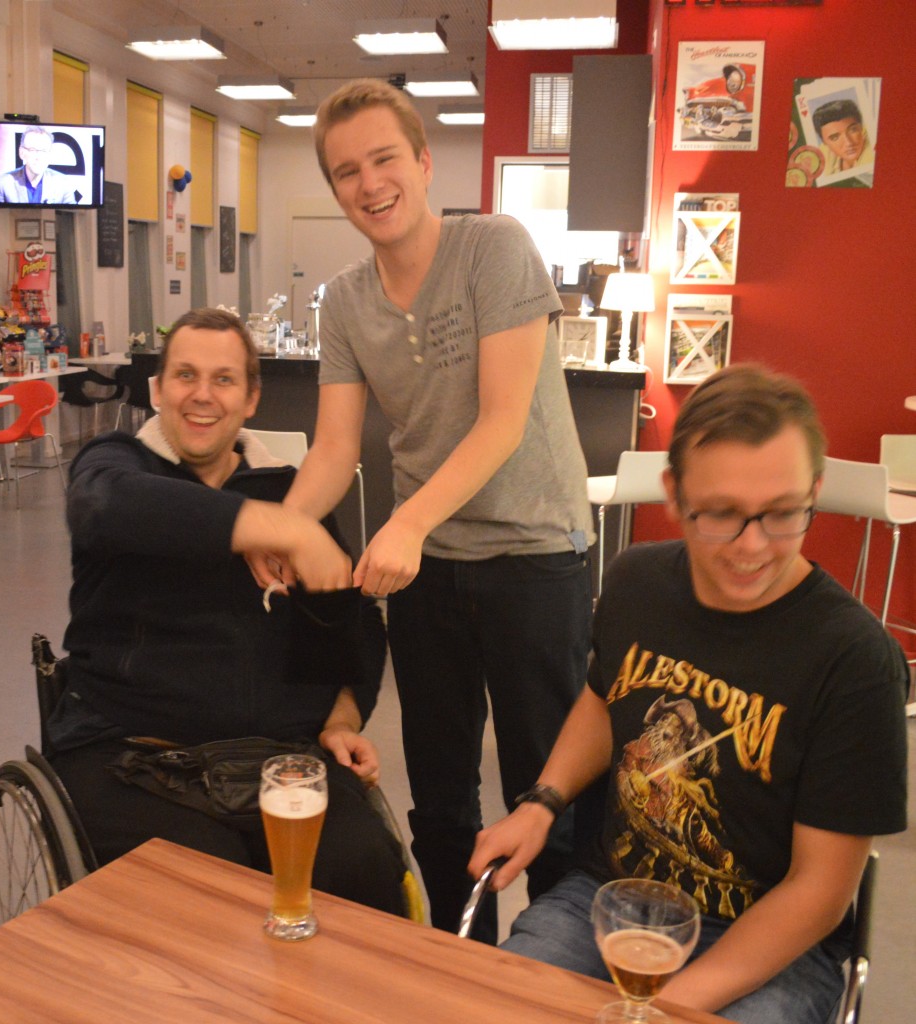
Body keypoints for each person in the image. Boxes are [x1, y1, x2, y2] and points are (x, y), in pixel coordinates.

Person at [469, 364, 908, 1023]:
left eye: (783, 513)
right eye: (722, 514)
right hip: (611, 898)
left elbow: (819, 893)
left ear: (814, 491)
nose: (753, 546)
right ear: (674, 494)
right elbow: (605, 700)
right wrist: (542, 802)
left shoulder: (856, 661)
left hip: (768, 938)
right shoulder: (635, 581)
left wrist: (657, 1009)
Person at [281, 79, 595, 941]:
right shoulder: (345, 301)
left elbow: (503, 420)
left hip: (535, 552)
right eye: (347, 171)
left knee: (545, 787)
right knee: (441, 790)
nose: (370, 183)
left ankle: (554, 965)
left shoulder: (494, 247)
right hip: (428, 572)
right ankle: (461, 959)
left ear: (423, 163)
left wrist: (407, 521)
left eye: (384, 159)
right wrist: (285, 525)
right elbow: (334, 449)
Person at [47, 307, 406, 916]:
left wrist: (343, 718)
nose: (202, 396)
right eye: (185, 375)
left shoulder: (290, 492)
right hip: (129, 753)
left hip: (275, 757)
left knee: (363, 869)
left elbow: (353, 625)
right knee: (212, 889)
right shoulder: (116, 465)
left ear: (251, 399)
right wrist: (278, 530)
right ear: (157, 389)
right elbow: (103, 507)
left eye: (223, 380)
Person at [0, 126, 77, 205]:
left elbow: (72, 214)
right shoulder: (4, 183)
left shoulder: (64, 183)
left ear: (50, 155)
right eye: (32, 150)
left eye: (43, 151)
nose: (38, 157)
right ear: (21, 153)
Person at [812, 99, 875, 176]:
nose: (849, 143)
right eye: (835, 137)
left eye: (853, 130)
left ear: (861, 127)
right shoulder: (822, 154)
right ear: (824, 142)